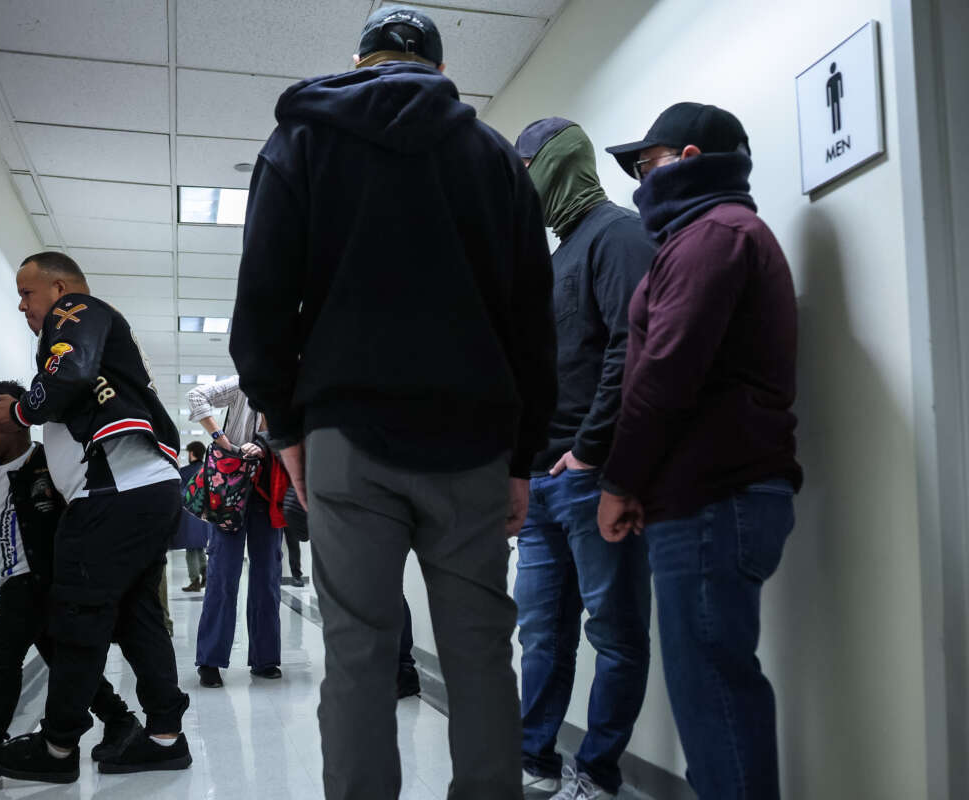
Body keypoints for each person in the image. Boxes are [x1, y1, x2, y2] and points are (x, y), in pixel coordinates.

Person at [228, 7, 557, 799]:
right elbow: (531, 326)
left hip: (347, 437)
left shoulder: (302, 141)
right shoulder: (494, 160)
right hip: (475, 445)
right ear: (442, 75)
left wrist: (286, 426)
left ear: (358, 60)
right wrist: (523, 460)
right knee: (480, 654)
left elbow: (263, 306)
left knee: (359, 654)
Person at [599, 103, 803, 800]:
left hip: (714, 498)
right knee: (712, 686)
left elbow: (666, 371)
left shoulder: (712, 235)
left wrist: (620, 480)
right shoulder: (711, 235)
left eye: (645, 165)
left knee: (712, 692)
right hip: (709, 494)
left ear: (688, 159)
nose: (637, 182)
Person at [0, 252, 192, 783]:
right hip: (141, 490)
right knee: (135, 614)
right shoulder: (83, 328)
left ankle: (56, 749)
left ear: (60, 287)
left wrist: (21, 412)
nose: (23, 305)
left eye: (28, 293)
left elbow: (69, 372)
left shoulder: (74, 309)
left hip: (115, 494)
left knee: (76, 613)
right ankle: (165, 736)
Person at [510, 119, 656, 800]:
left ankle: (597, 772)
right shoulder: (556, 253)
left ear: (561, 163)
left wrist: (589, 451)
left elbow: (633, 350)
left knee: (616, 633)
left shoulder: (619, 235)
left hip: (590, 477)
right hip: (541, 483)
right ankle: (533, 759)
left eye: (528, 167)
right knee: (541, 636)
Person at [0, 381, 138, 774]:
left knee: (2, 656)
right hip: (8, 579)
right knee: (61, 659)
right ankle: (120, 719)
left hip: (40, 580)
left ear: (16, 423)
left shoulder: (47, 463)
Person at [188, 376, 289, 688]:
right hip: (231, 490)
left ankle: (265, 659)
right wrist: (223, 441)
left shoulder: (296, 392)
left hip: (269, 494)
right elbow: (197, 395)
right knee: (222, 576)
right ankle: (210, 660)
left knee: (267, 580)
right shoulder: (245, 383)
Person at [281, 486, 421, 699]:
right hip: (372, 514)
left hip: (384, 513)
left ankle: (402, 669)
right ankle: (390, 667)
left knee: (385, 590)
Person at [178, 440, 209, 592]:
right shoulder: (208, 469)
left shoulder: (184, 472)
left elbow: (181, 496)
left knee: (191, 550)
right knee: (200, 548)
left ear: (191, 453)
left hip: (190, 517)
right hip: (205, 518)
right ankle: (206, 573)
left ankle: (194, 581)